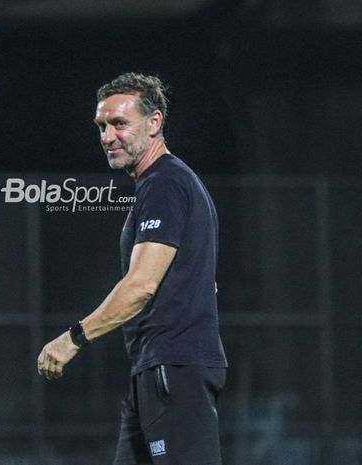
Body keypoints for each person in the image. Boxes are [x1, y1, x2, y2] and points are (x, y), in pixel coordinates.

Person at [37, 73, 228, 465]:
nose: (108, 136)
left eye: (119, 124)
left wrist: (72, 339)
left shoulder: (165, 184)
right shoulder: (162, 185)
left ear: (154, 123)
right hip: (157, 370)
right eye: (102, 126)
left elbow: (140, 286)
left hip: (174, 369)